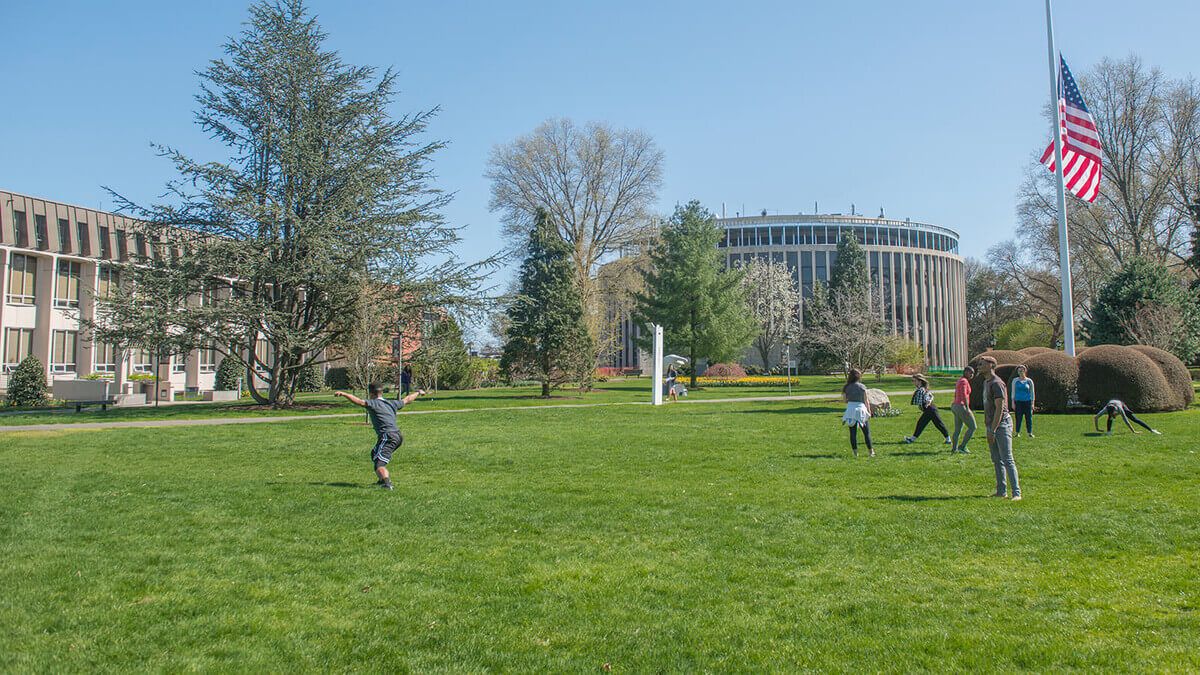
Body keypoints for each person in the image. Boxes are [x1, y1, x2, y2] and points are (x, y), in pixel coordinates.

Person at [334, 383, 425, 490]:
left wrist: (343, 394)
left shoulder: (373, 403)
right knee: (374, 453)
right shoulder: (391, 403)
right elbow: (407, 399)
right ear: (381, 392)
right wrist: (418, 392)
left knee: (379, 463)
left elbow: (359, 401)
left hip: (388, 436)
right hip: (397, 435)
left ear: (371, 393)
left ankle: (387, 484)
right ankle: (381, 480)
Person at [978, 356, 1020, 500]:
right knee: (996, 459)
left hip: (1001, 425)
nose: (978, 366)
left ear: (991, 365)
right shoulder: (986, 383)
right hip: (992, 425)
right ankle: (1001, 491)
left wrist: (993, 430)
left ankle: (1016, 493)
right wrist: (987, 425)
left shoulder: (997, 383)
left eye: (981, 364)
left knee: (1007, 459)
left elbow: (1000, 409)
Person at [903, 374, 951, 445]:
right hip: (929, 410)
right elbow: (931, 396)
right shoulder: (922, 389)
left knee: (938, 424)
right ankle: (912, 439)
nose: (913, 382)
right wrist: (928, 401)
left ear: (919, 381)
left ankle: (948, 440)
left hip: (930, 410)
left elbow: (927, 397)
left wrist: (928, 401)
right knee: (923, 424)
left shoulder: (921, 389)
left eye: (914, 381)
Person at [841, 368, 874, 458]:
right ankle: (871, 452)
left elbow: (844, 401)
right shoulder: (862, 387)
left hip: (851, 409)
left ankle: (855, 453)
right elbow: (866, 400)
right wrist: (869, 411)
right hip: (861, 409)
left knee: (853, 433)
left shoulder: (846, 387)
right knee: (866, 432)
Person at [1093, 399, 1162, 436]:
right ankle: (1109, 432)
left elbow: (1126, 421)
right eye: (1113, 415)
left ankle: (1152, 430)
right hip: (1112, 404)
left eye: (1115, 414)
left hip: (1121, 404)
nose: (1115, 416)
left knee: (1134, 419)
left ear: (1116, 411)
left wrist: (1133, 431)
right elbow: (1096, 418)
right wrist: (1097, 429)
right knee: (1110, 418)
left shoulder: (1120, 409)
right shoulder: (1106, 409)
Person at [950, 366, 977, 454]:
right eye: (970, 373)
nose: (972, 375)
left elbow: (956, 394)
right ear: (965, 372)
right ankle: (962, 446)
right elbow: (964, 395)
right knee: (973, 427)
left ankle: (954, 449)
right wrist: (967, 409)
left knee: (958, 429)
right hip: (961, 406)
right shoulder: (963, 381)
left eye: (973, 373)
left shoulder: (960, 380)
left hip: (955, 406)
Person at [1011, 365, 1036, 438]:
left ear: (1025, 371)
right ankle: (1017, 432)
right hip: (1018, 401)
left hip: (1027, 401)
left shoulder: (1029, 381)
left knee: (1029, 418)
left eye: (1022, 371)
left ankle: (1030, 432)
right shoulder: (1015, 380)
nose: (1020, 372)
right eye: (1019, 371)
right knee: (1018, 417)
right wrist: (1013, 402)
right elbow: (1013, 392)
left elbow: (1032, 393)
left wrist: (1032, 403)